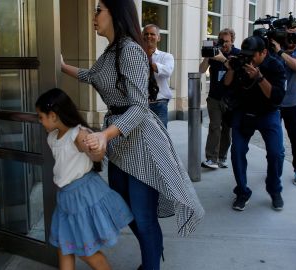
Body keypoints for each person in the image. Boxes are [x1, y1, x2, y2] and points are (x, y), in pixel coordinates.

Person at [60, 0, 204, 269]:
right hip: (120, 140)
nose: (94, 16)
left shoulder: (130, 51)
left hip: (140, 142)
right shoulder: (111, 51)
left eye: (99, 10)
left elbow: (139, 107)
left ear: (115, 13)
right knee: (128, 213)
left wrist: (105, 135)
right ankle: (153, 251)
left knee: (143, 216)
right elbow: (91, 75)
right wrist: (62, 66)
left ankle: (151, 262)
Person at [35, 88, 133, 270]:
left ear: (53, 115)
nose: (40, 121)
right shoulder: (53, 137)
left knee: (86, 252)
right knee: (65, 247)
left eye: (41, 117)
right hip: (66, 197)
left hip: (82, 197)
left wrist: (97, 148)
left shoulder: (78, 134)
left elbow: (96, 156)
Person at [224, 36, 286, 211]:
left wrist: (259, 78)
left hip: (268, 114)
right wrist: (231, 69)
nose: (248, 59)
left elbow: (277, 97)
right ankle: (242, 191)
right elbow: (227, 85)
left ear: (264, 52)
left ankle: (274, 189)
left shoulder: (275, 66)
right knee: (237, 152)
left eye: (252, 55)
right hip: (243, 112)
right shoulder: (241, 62)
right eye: (245, 55)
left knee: (276, 153)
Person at [199, 28, 240, 169]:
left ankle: (222, 157)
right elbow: (201, 70)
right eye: (222, 41)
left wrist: (223, 58)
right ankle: (211, 158)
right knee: (215, 127)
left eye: (227, 41)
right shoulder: (215, 53)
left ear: (232, 41)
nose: (224, 44)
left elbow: (236, 70)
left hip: (230, 99)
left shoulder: (237, 54)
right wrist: (208, 56)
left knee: (227, 130)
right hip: (214, 97)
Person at [271, 39, 296, 185]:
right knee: (274, 140)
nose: (291, 40)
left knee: (295, 138)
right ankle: (275, 169)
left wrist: (280, 52)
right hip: (275, 103)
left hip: (292, 104)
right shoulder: (276, 49)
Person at [142, 24, 174, 127]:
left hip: (159, 103)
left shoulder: (166, 56)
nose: (149, 36)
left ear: (158, 38)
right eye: (146, 34)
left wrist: (149, 62)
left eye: (152, 34)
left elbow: (168, 71)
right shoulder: (136, 56)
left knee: (161, 137)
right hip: (141, 104)